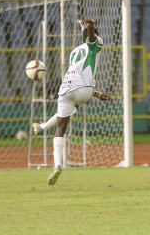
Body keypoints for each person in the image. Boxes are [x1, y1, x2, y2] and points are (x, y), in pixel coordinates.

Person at [32, 19, 112, 186]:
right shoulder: (96, 42)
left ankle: (57, 164)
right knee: (70, 110)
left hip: (67, 88)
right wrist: (90, 27)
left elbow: (77, 73)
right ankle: (41, 127)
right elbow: (91, 39)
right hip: (84, 90)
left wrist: (95, 93)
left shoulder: (74, 52)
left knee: (61, 127)